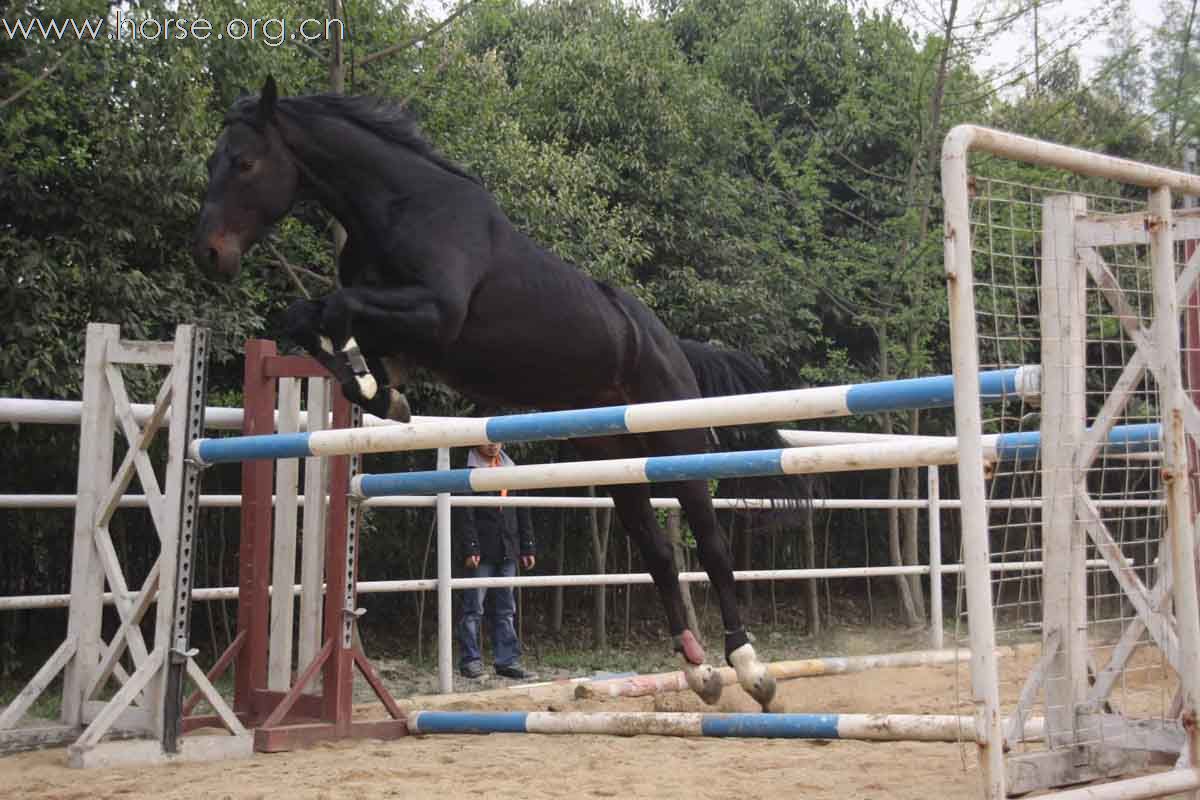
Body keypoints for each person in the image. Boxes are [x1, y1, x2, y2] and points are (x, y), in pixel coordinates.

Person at [454, 441, 537, 680]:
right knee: (473, 608)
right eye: (488, 442)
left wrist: (527, 546)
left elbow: (522, 508)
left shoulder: (511, 467)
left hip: (508, 546)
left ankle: (507, 661)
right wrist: (470, 547)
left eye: (497, 442)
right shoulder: (468, 470)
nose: (493, 447)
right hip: (481, 548)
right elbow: (464, 512)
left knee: (506, 608)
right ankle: (470, 661)